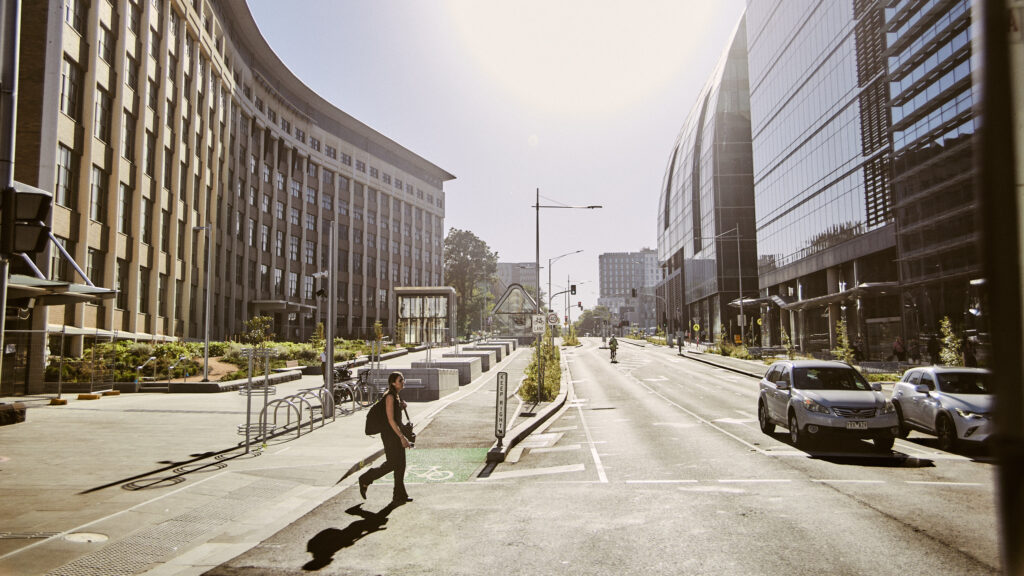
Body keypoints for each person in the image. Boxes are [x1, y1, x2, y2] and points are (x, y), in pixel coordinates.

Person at [358, 372, 413, 504]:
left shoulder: (395, 396)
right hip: (390, 435)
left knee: (401, 465)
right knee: (392, 464)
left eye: (403, 380)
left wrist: (401, 406)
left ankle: (399, 495)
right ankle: (366, 478)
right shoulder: (389, 397)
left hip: (394, 433)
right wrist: (402, 437)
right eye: (400, 380)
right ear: (393, 383)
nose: (403, 382)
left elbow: (394, 414)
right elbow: (390, 420)